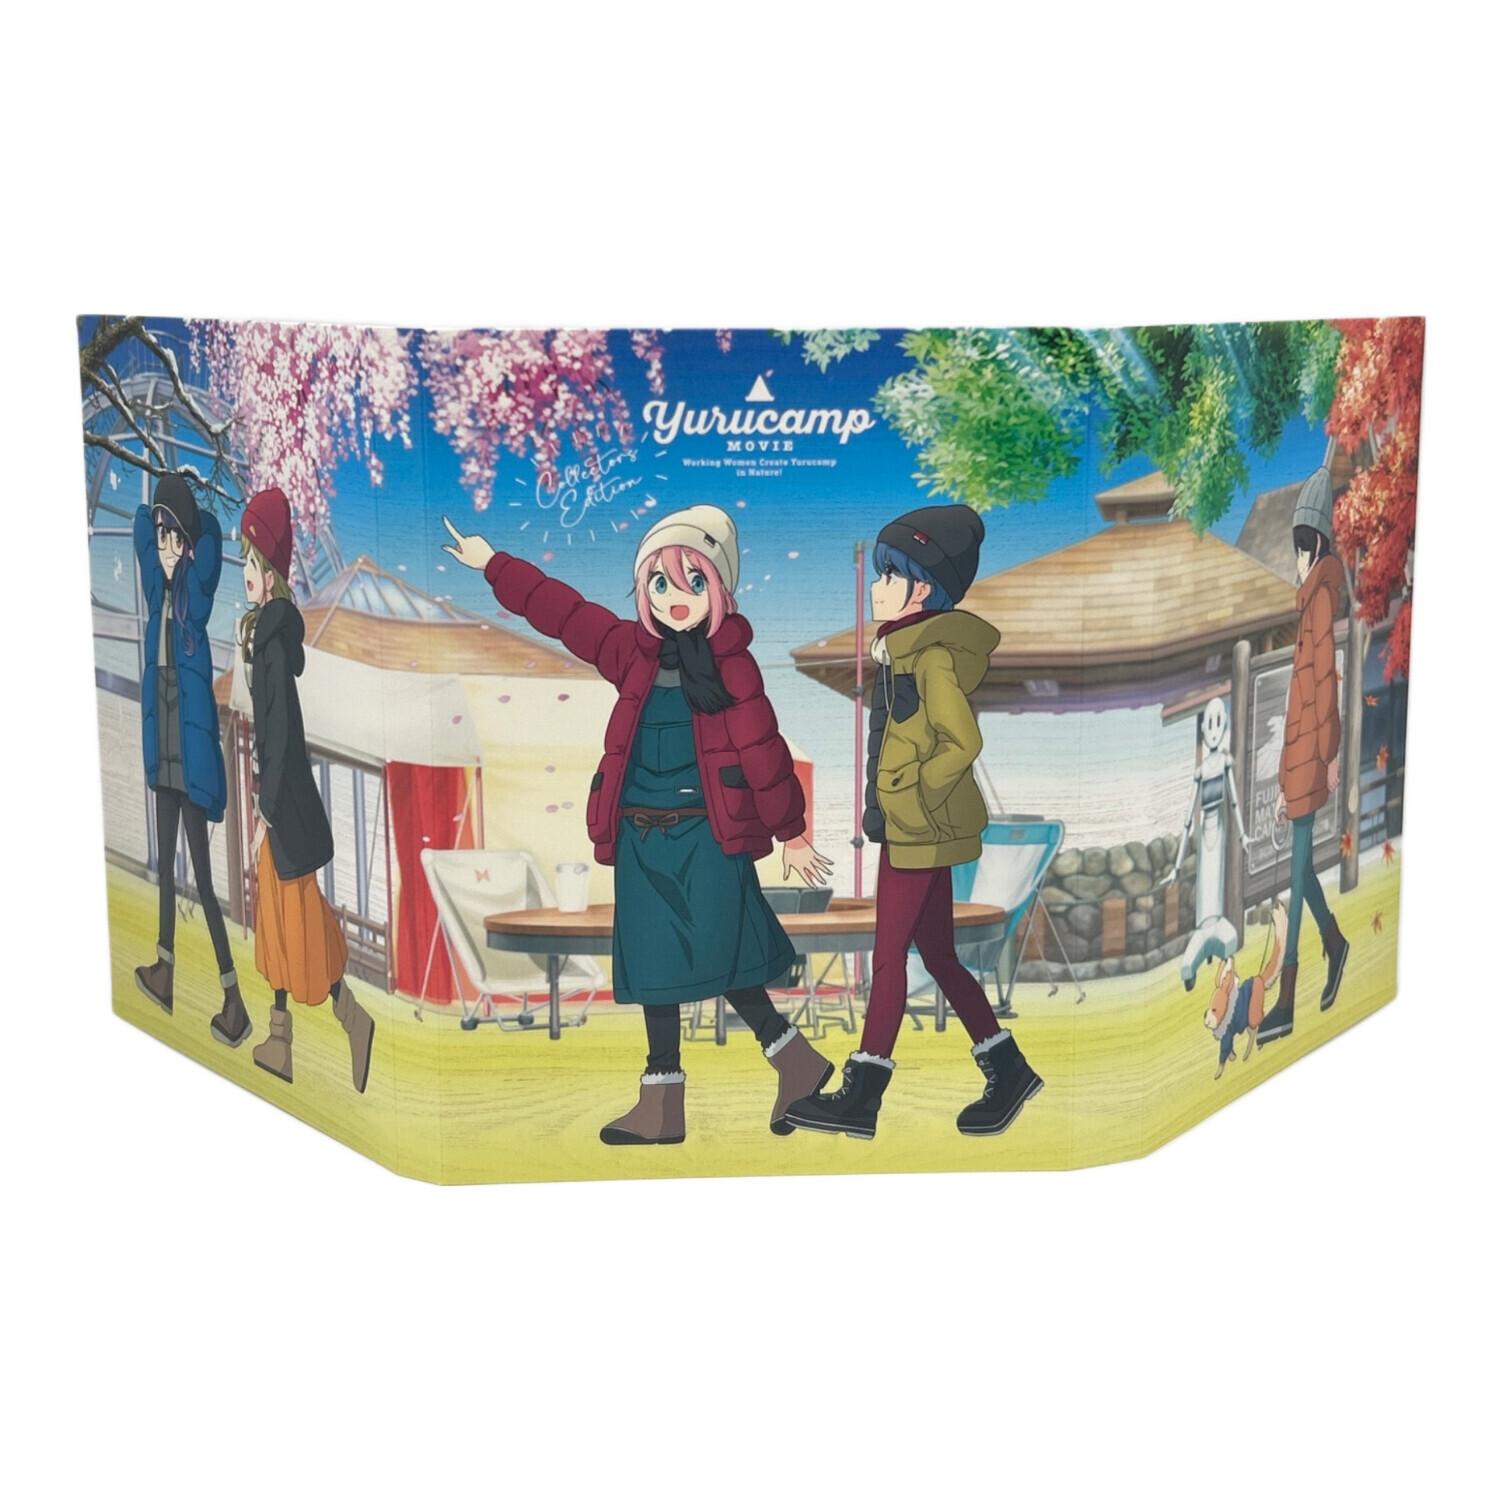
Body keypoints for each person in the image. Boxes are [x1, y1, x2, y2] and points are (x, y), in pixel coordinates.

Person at [442, 504, 835, 1143]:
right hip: (641, 840)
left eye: (694, 581)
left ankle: (789, 1065)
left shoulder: (732, 665)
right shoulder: (633, 652)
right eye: (660, 581)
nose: (676, 597)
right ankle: (678, 1101)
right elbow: (565, 614)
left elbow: (764, 748)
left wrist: (790, 831)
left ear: (719, 589)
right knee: (657, 966)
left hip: (709, 837)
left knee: (724, 960)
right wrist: (494, 564)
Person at [786, 504, 1043, 1140]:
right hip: (914, 825)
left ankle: (863, 1095)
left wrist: (910, 791)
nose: (876, 587)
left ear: (922, 588)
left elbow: (963, 741)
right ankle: (1009, 1070)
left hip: (918, 828)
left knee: (888, 957)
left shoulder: (928, 658)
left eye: (888, 575)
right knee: (939, 954)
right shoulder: (903, 652)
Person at [237, 488, 375, 1092]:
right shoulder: (268, 634)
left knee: (292, 921)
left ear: (272, 571)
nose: (246, 573)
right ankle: (288, 1037)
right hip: (282, 802)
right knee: (285, 918)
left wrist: (265, 811)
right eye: (244, 561)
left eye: (254, 562)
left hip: (284, 807)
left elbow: (279, 734)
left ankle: (333, 1022)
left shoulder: (271, 640)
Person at [131, 473, 250, 1048]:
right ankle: (164, 970)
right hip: (165, 758)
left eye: (175, 538)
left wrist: (186, 518)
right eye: (162, 537)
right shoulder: (157, 593)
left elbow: (213, 542)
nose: (165, 548)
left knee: (202, 879)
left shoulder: (191, 604)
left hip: (190, 762)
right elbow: (140, 532)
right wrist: (158, 507)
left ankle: (234, 1000)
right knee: (165, 873)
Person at [1258, 467, 1350, 1043]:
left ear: (1314, 546)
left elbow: (1324, 687)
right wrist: (1282, 779)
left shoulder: (1319, 602)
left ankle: (1286, 999)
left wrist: (1327, 757)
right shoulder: (1310, 601)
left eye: (1299, 549)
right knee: (1302, 869)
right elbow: (1299, 699)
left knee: (1295, 876)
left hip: (1313, 756)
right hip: (1301, 757)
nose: (1294, 560)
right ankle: (1335, 943)